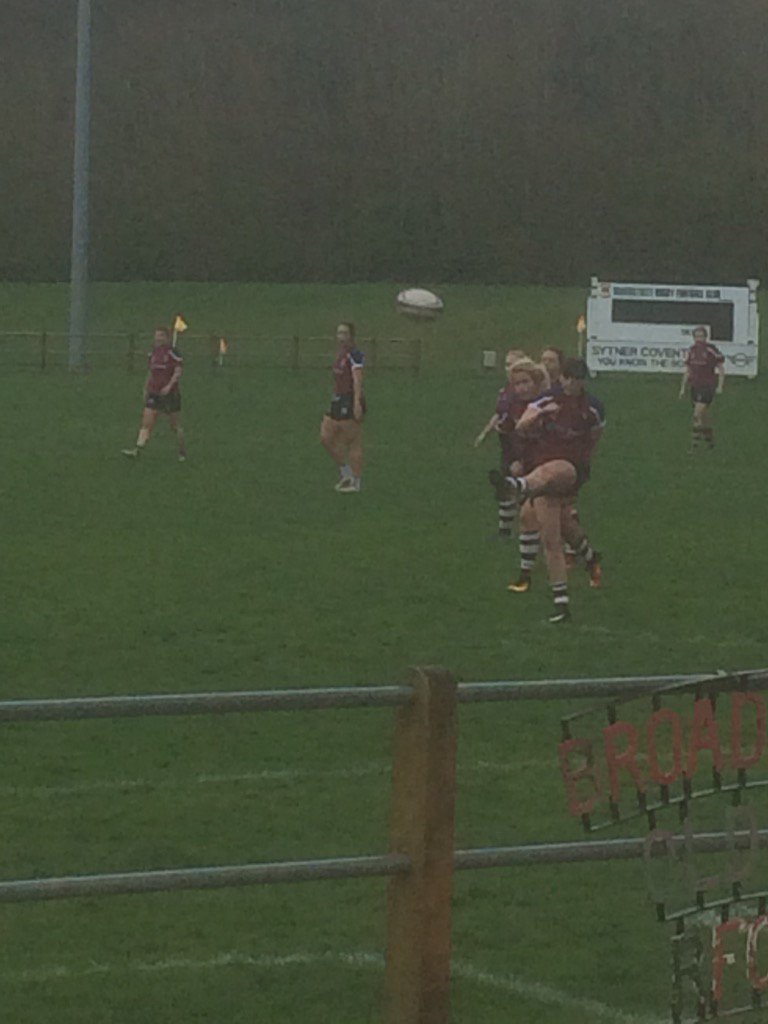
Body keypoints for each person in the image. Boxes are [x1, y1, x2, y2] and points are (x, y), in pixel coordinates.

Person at [490, 357, 604, 623]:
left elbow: (595, 436)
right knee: (552, 536)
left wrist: (582, 460)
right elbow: (521, 427)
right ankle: (563, 601)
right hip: (540, 473)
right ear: (562, 378)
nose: (573, 385)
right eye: (569, 379)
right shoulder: (545, 401)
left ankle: (518, 486)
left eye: (578, 381)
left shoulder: (592, 407)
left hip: (571, 470)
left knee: (558, 469)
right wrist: (539, 415)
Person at [474, 348, 528, 537]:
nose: (508, 368)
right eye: (506, 364)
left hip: (522, 445)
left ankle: (530, 529)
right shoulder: (505, 391)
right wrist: (485, 433)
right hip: (507, 445)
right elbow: (499, 414)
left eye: (513, 364)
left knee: (522, 485)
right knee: (504, 485)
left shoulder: (527, 392)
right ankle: (504, 530)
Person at [122, 327, 186, 461]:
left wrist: (169, 386)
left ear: (167, 338)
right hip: (154, 393)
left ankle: (182, 451)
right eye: (156, 336)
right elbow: (151, 372)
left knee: (175, 426)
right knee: (146, 423)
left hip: (170, 394)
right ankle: (137, 449)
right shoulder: (153, 353)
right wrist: (146, 388)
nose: (158, 338)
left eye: (161, 336)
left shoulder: (173, 352)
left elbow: (178, 371)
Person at [320, 322, 365, 492]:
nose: (341, 337)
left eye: (345, 333)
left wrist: (357, 402)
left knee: (352, 441)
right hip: (337, 399)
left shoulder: (355, 355)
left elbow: (357, 379)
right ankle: (345, 473)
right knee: (325, 437)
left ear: (351, 336)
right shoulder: (340, 355)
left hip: (349, 399)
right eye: (339, 333)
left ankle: (356, 481)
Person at [678, 325, 724, 451]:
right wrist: (682, 388)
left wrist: (720, 385)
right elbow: (688, 370)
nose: (699, 339)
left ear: (705, 337)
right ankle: (710, 440)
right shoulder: (692, 350)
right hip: (695, 386)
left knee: (697, 413)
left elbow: (720, 368)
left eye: (701, 336)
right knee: (703, 417)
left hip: (708, 386)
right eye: (696, 337)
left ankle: (694, 445)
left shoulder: (711, 350)